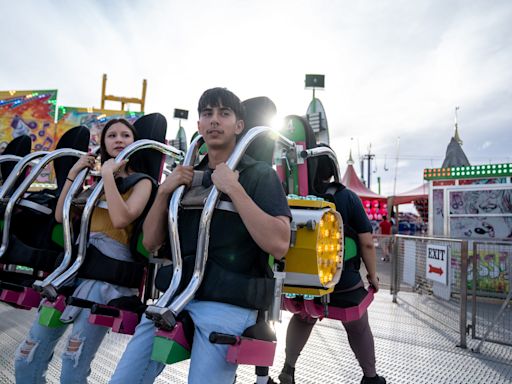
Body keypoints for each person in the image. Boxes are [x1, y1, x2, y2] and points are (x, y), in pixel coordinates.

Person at [110, 87, 291, 384]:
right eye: (207, 114)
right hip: (176, 295)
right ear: (199, 125)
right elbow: (150, 243)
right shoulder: (185, 177)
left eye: (224, 113)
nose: (215, 120)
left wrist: (234, 188)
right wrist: (164, 192)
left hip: (227, 300)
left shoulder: (259, 174)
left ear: (239, 125)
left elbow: (279, 243)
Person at [14, 119, 153, 384]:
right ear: (103, 144)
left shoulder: (141, 183)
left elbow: (122, 218)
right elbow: (60, 215)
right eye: (111, 135)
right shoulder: (95, 186)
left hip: (106, 279)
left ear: (135, 143)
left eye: (125, 135)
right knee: (27, 355)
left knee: (72, 361)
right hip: (73, 273)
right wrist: (74, 175)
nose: (118, 139)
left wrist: (110, 177)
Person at [276, 153, 386, 384]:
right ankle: (370, 376)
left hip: (300, 278)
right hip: (341, 279)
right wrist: (372, 276)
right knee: (358, 326)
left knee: (303, 317)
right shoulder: (347, 197)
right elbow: (366, 242)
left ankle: (288, 369)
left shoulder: (288, 196)